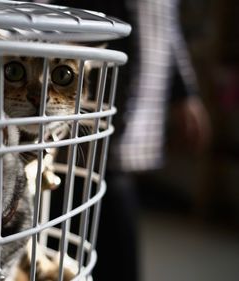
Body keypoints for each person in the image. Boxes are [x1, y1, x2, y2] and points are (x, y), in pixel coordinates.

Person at [50, 0, 211, 280]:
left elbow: (167, 26)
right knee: (71, 193)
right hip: (84, 76)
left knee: (103, 192)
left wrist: (184, 92)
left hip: (129, 93)